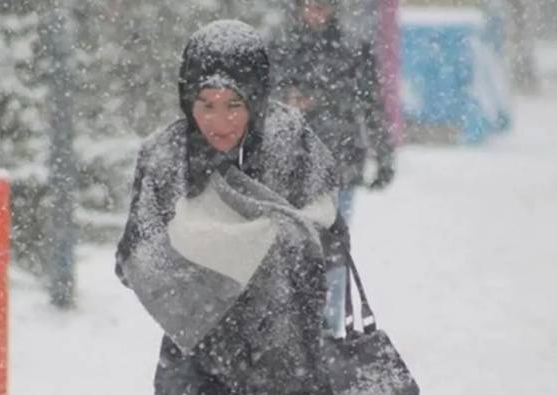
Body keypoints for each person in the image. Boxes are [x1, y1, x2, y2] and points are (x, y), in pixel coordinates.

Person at [115, 20, 352, 394]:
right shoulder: (165, 157)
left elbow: (330, 242)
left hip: (285, 360)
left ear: (256, 98)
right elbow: (133, 260)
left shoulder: (290, 143)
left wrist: (253, 249)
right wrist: (206, 271)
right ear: (186, 98)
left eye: (234, 105)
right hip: (194, 362)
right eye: (205, 105)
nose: (219, 122)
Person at [270, 0, 396, 220]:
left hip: (341, 159)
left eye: (322, 6)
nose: (315, 13)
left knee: (332, 240)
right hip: (290, 161)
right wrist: (286, 99)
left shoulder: (354, 50)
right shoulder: (280, 48)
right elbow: (261, 97)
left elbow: (371, 106)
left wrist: (384, 157)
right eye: (310, 6)